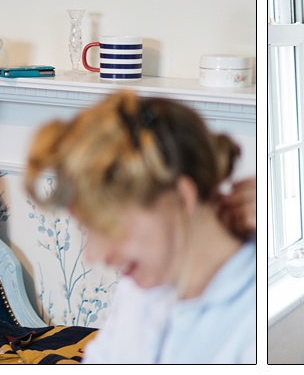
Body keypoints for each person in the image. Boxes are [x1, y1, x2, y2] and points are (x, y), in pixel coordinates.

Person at [25, 93, 256, 362]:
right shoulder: (138, 288)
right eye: (88, 229)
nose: (95, 255)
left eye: (109, 226)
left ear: (181, 198)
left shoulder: (252, 322)